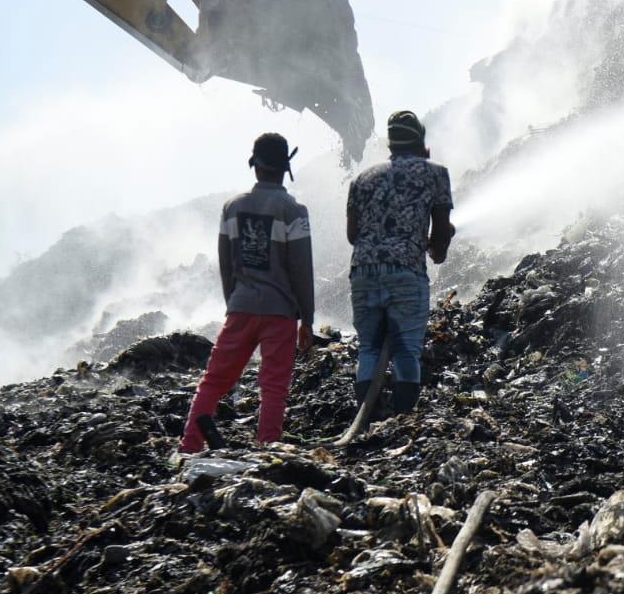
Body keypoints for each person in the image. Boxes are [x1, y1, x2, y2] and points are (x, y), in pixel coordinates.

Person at [179, 133, 314, 452]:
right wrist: (306, 319)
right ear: (285, 168)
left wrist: (234, 303)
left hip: (240, 306)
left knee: (214, 381)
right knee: (274, 386)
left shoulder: (232, 208)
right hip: (280, 313)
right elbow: (301, 268)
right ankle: (268, 447)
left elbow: (226, 265)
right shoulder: (295, 211)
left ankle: (189, 447)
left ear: (255, 165)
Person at [347, 110, 455, 414]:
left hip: (363, 272)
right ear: (423, 145)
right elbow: (441, 234)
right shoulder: (435, 172)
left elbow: (353, 234)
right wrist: (437, 249)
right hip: (406, 272)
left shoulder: (362, 179)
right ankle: (400, 421)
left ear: (391, 145)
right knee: (407, 350)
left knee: (368, 349)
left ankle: (366, 423)